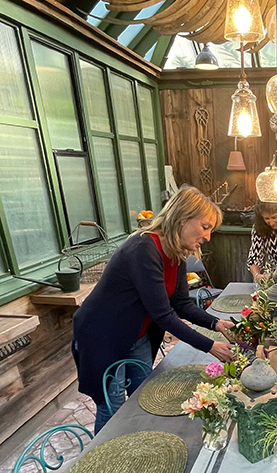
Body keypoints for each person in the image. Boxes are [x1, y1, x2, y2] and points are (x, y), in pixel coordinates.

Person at [72, 186, 235, 434]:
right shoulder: (143, 248)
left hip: (137, 335)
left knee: (144, 396)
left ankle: (139, 443)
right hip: (103, 337)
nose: (208, 236)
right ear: (183, 217)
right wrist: (211, 346)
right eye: (205, 227)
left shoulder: (177, 251)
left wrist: (216, 324)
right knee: (113, 410)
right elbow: (164, 315)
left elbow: (180, 303)